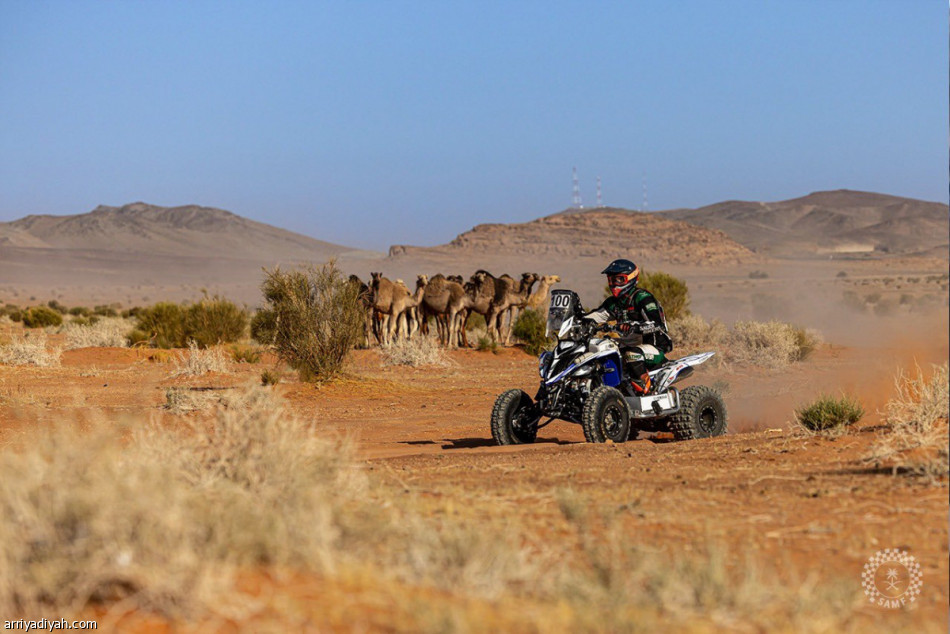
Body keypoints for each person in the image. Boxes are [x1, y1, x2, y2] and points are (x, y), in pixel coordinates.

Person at [582, 258, 673, 394]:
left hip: (654, 347)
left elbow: (657, 324)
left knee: (632, 355)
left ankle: (647, 390)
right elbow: (595, 316)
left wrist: (635, 326)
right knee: (600, 351)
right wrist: (576, 320)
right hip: (627, 345)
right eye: (611, 280)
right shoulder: (613, 303)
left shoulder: (642, 298)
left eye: (619, 280)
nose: (614, 284)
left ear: (631, 279)